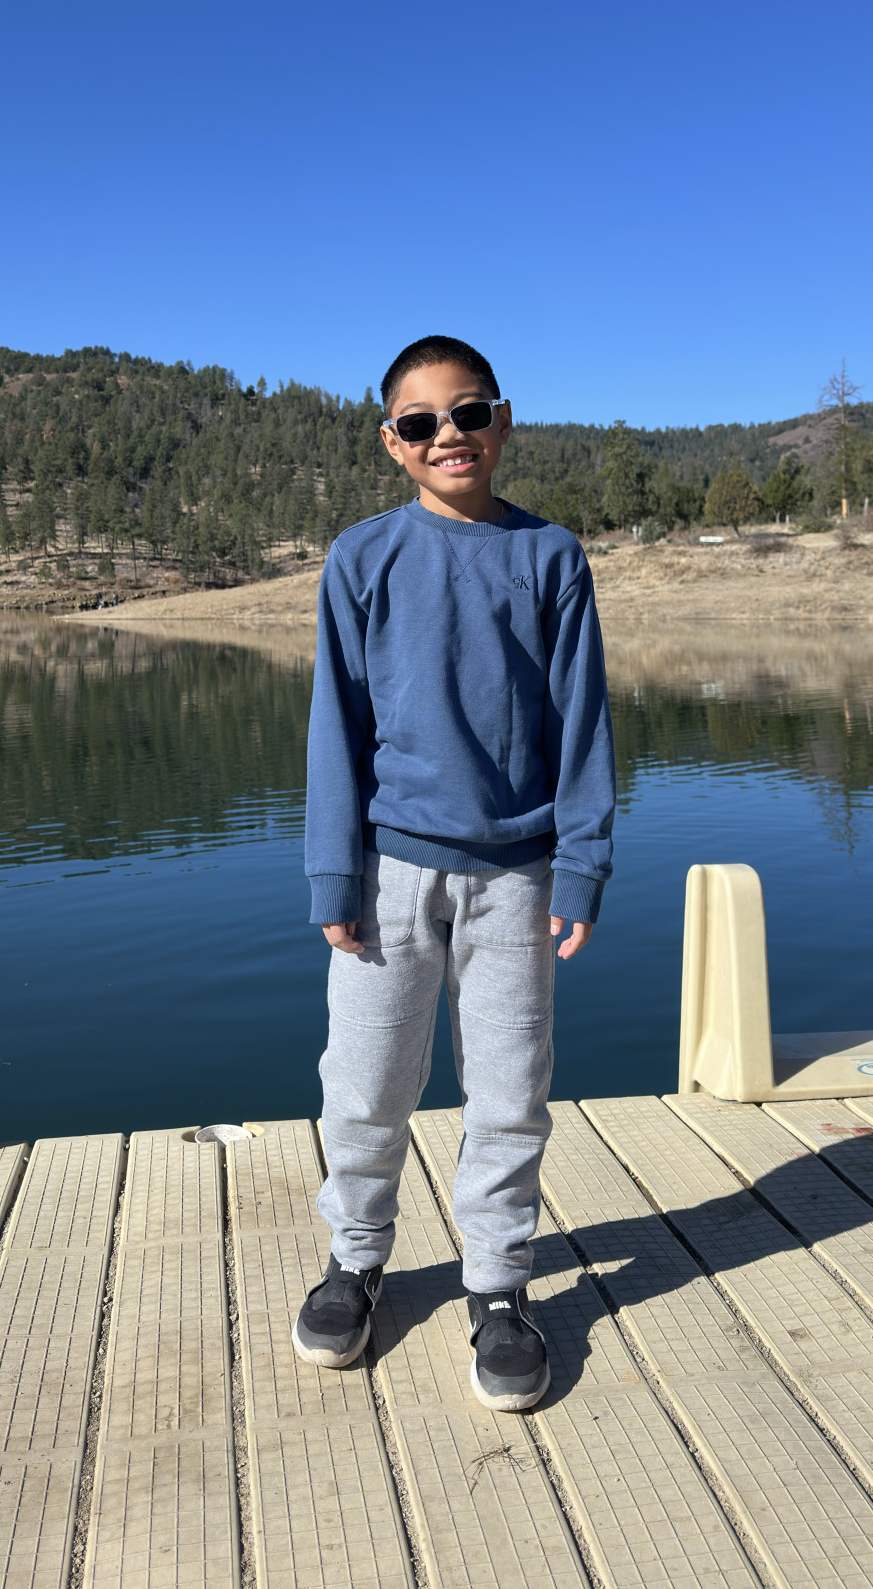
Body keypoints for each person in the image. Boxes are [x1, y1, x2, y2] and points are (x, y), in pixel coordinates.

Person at [293, 334, 615, 1410]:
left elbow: (582, 726)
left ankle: (498, 1285)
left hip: (519, 878)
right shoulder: (362, 558)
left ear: (502, 421)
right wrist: (332, 875)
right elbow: (335, 729)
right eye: (422, 422)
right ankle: (355, 1260)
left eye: (469, 413)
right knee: (365, 1081)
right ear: (393, 441)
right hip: (387, 871)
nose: (450, 436)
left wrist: (583, 863)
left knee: (510, 1091)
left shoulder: (551, 557)